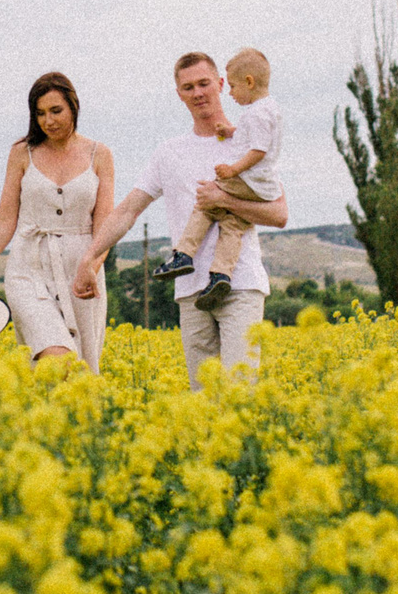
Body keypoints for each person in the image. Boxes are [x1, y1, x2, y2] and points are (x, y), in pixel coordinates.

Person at [76, 51, 288, 388]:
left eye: (205, 83)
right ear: (179, 94)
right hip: (190, 291)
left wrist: (223, 199)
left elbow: (279, 214)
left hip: (241, 285)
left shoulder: (247, 143)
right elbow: (128, 210)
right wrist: (90, 257)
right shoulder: (168, 152)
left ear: (221, 84)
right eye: (188, 87)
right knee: (202, 400)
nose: (198, 93)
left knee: (239, 395)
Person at [0, 71, 115, 370]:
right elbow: (4, 222)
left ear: (73, 107)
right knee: (58, 360)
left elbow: (104, 229)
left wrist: (90, 268)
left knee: (81, 374)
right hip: (28, 270)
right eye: (40, 113)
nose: (48, 121)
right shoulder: (21, 153)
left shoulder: (100, 154)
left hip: (82, 272)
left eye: (56, 111)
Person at [154, 47, 282, 307]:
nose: (232, 94)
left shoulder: (256, 112)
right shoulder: (269, 111)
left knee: (206, 201)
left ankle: (184, 253)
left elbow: (257, 150)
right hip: (260, 188)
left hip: (247, 181)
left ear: (249, 82)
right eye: (189, 87)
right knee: (233, 226)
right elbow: (255, 138)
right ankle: (221, 275)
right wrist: (232, 130)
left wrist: (232, 173)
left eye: (233, 87)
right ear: (179, 93)